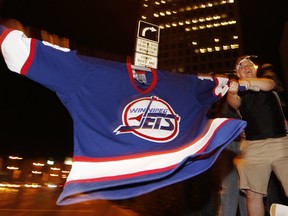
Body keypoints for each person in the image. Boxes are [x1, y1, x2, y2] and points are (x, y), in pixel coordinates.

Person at [0, 24, 246, 205]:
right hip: (109, 166)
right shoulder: (88, 73)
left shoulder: (182, 84)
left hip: (169, 157)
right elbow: (22, 54)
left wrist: (238, 84)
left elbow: (216, 85)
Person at [227, 55, 288, 216]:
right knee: (253, 194)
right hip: (253, 148)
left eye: (249, 65)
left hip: (282, 144)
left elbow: (268, 85)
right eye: (241, 66)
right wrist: (234, 90)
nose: (246, 68)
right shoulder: (238, 90)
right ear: (237, 72)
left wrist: (249, 83)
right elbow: (234, 102)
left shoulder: (267, 79)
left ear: (255, 68)